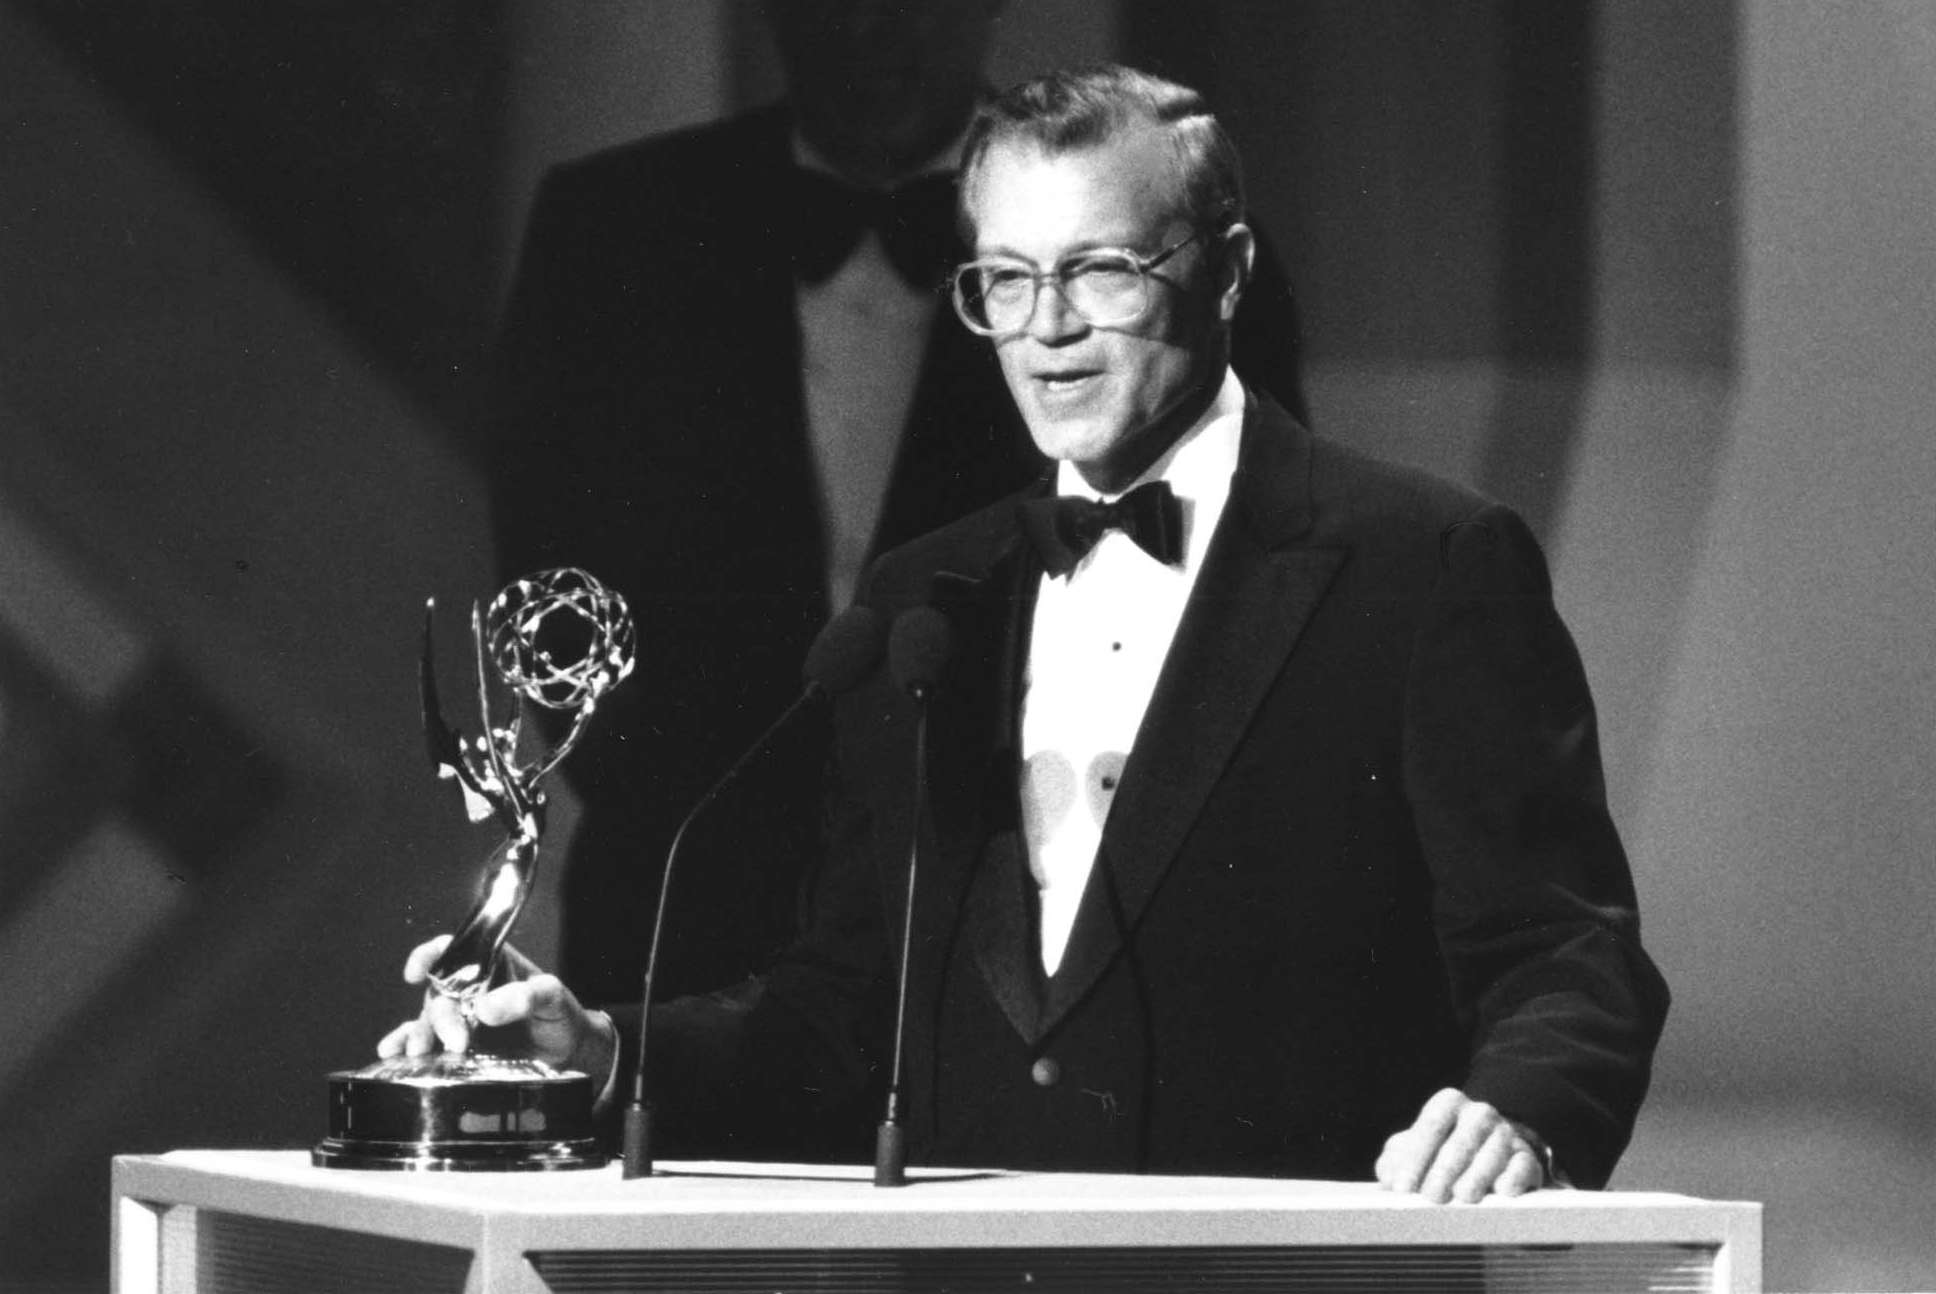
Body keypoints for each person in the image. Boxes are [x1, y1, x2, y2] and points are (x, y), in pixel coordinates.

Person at [391, 64, 1664, 1201]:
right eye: (1005, 279)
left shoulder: (1424, 563)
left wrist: (1522, 1115)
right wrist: (605, 1044)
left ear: (1225, 271)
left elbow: (1563, 952)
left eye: (1100, 270)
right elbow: (845, 1017)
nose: (1045, 330)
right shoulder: (926, 598)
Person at [488, 1, 1308, 1009]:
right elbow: (545, 553)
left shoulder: (1168, 241)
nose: (872, 30)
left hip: (1019, 895)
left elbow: (1250, 573)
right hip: (687, 887)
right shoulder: (612, 222)